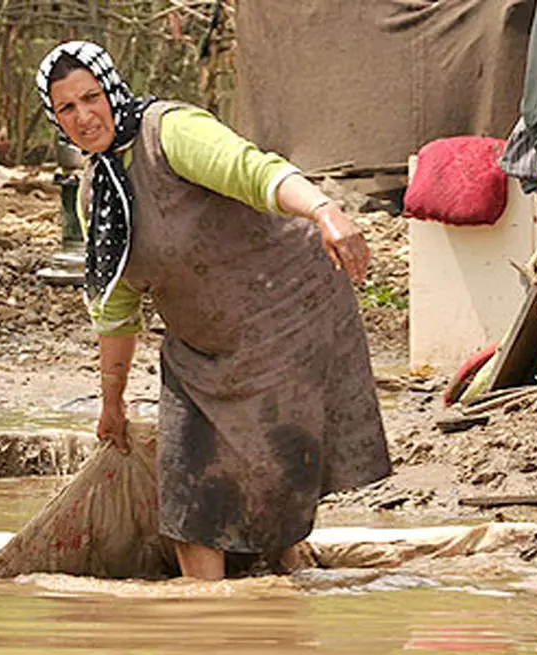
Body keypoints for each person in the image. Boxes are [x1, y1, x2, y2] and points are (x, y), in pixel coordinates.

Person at [36, 41, 391, 580]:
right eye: (67, 108)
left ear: (112, 90)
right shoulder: (96, 194)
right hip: (200, 350)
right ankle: (209, 627)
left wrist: (325, 210)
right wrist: (112, 402)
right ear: (55, 119)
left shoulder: (169, 131)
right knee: (187, 504)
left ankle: (286, 581)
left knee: (272, 482)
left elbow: (254, 171)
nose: (84, 116)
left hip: (283, 313)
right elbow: (118, 304)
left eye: (91, 97)